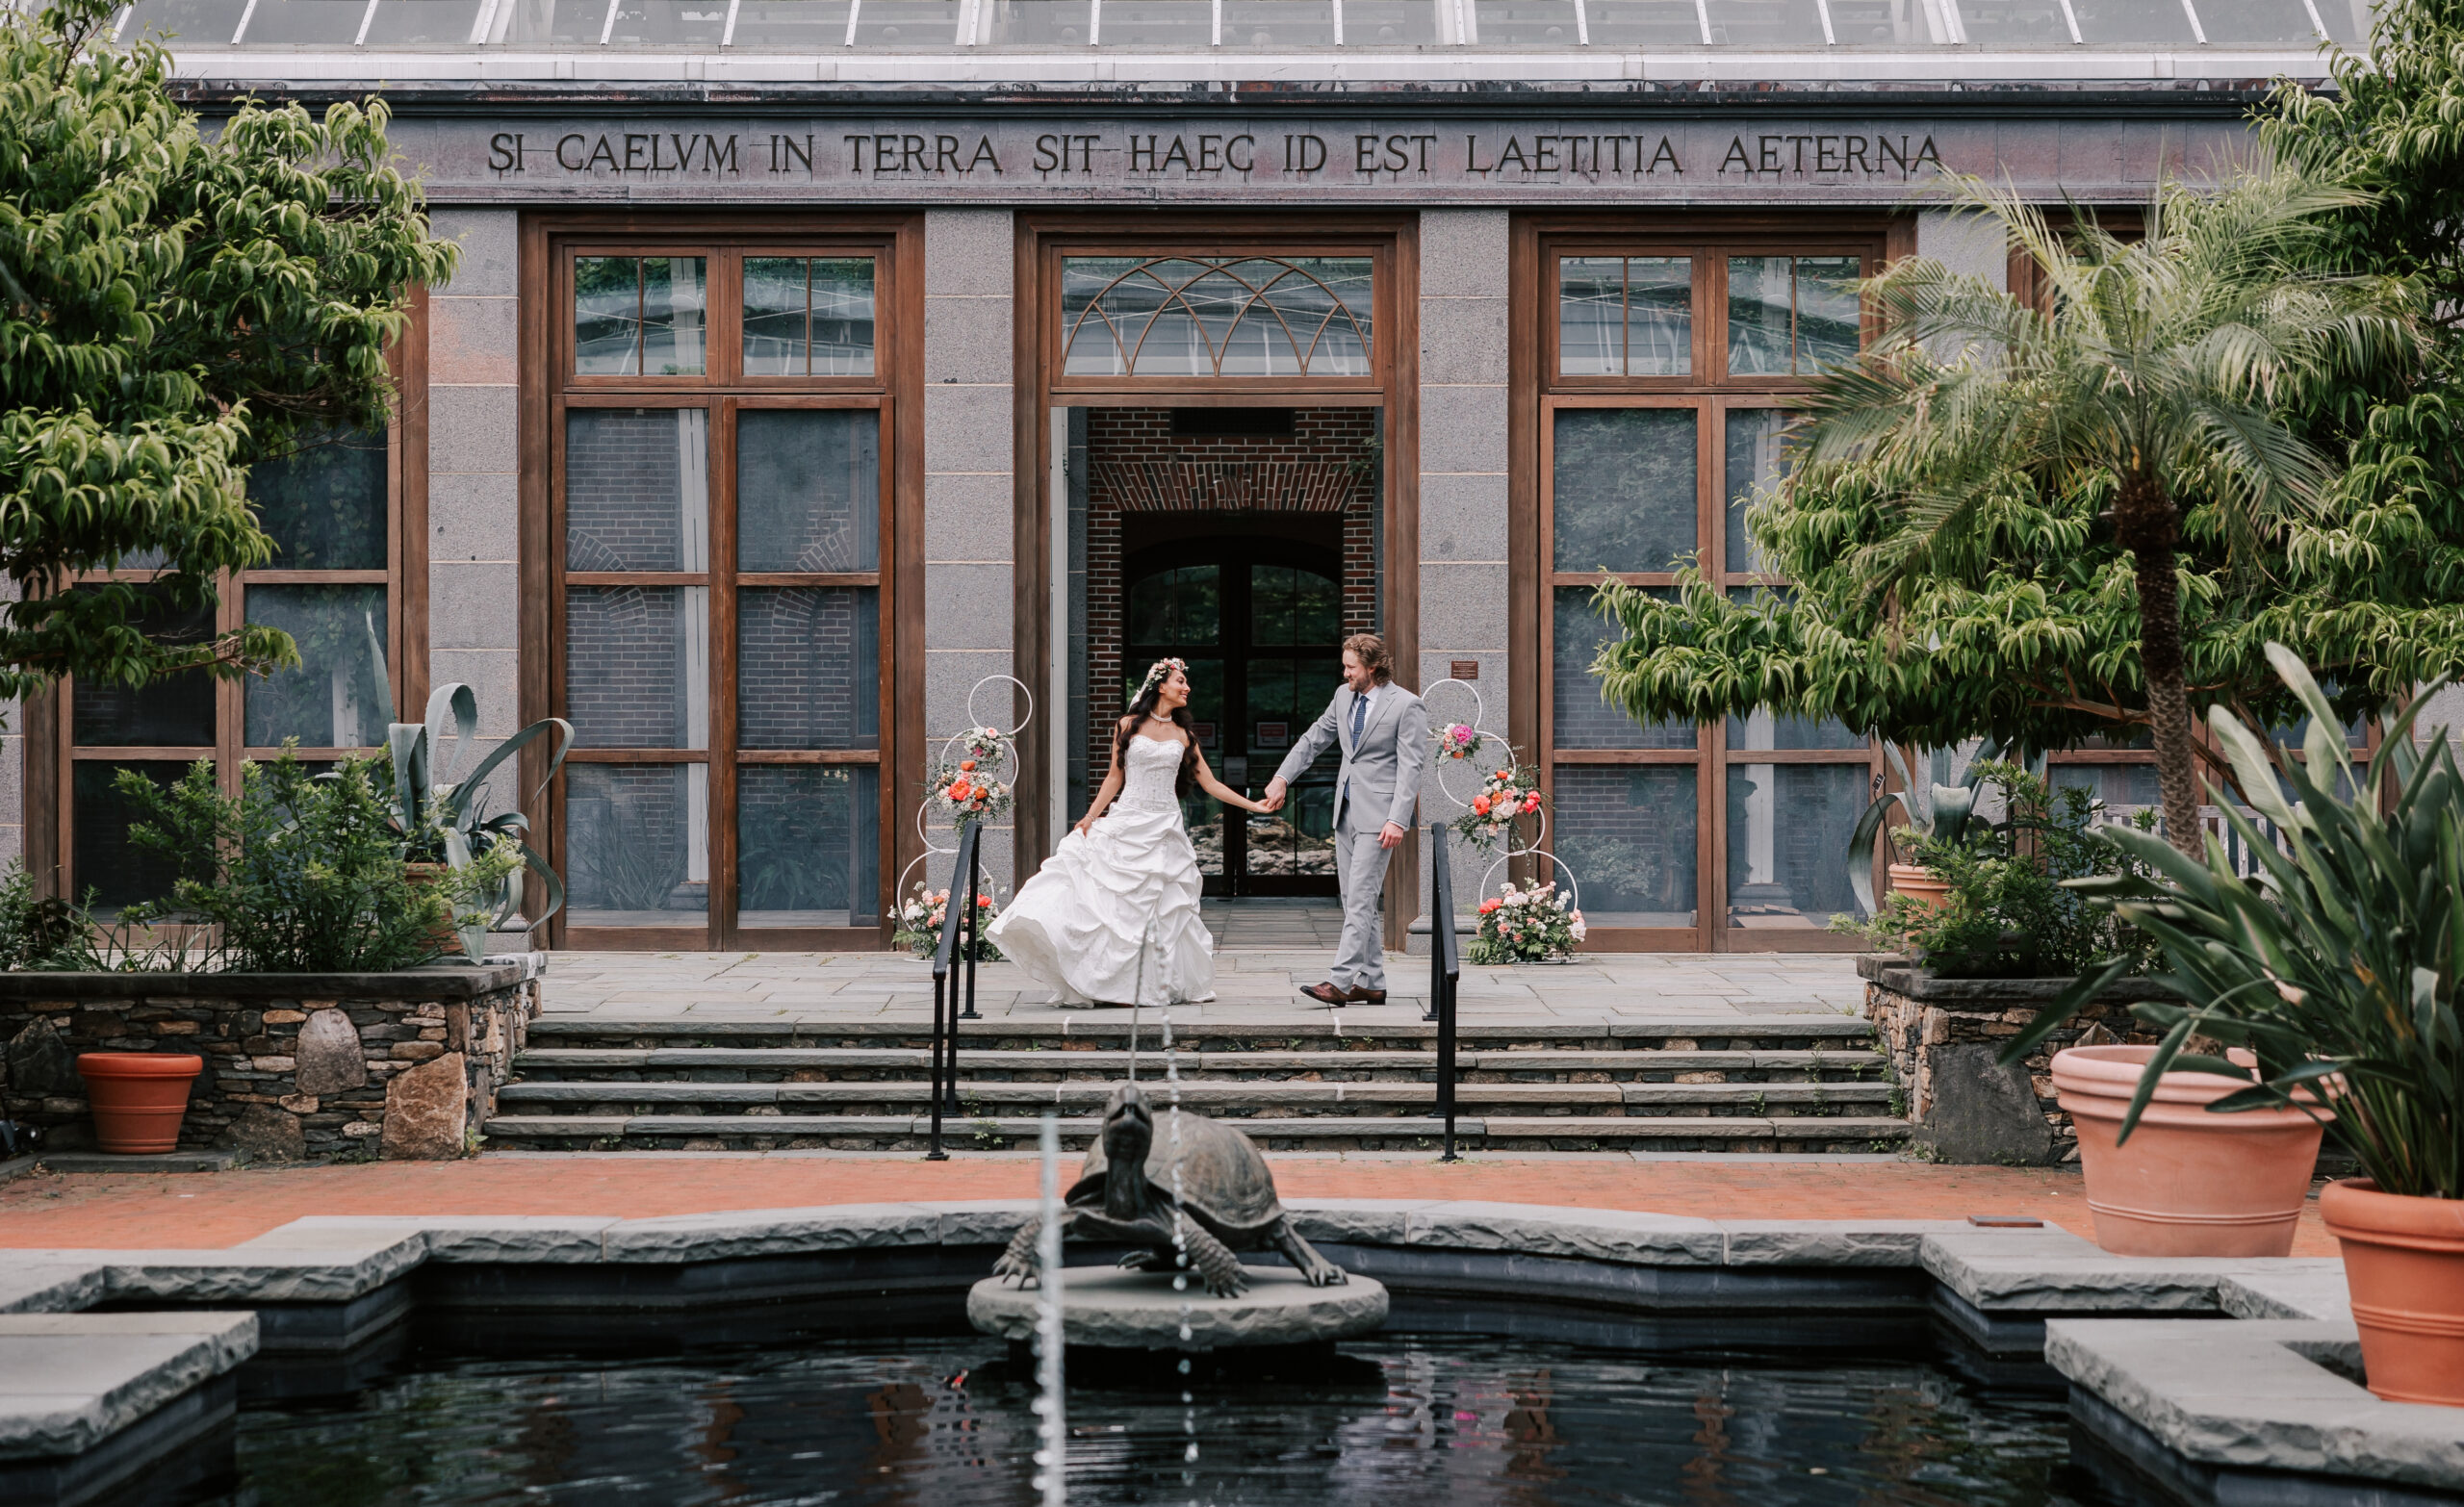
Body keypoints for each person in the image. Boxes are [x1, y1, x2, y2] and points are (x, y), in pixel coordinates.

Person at [988, 657, 1273, 1007]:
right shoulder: (1126, 725)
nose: (1187, 688)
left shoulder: (1184, 736)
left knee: (1159, 909)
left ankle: (1146, 985)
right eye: (1181, 681)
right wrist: (1090, 816)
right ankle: (1104, 981)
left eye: (1186, 683)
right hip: (1128, 820)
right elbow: (1114, 776)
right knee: (1112, 905)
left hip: (1164, 826)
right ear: (1160, 685)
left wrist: (1253, 805)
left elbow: (1210, 783)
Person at [1260, 633, 1425, 1006]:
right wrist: (1282, 777)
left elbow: (1412, 768)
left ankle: (1339, 981)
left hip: (1380, 817)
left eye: (1351, 666)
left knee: (1361, 899)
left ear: (1374, 667)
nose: (1345, 671)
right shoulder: (1342, 696)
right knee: (1354, 898)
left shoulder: (1407, 705)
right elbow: (1313, 739)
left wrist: (1398, 819)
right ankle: (1372, 982)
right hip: (1345, 811)